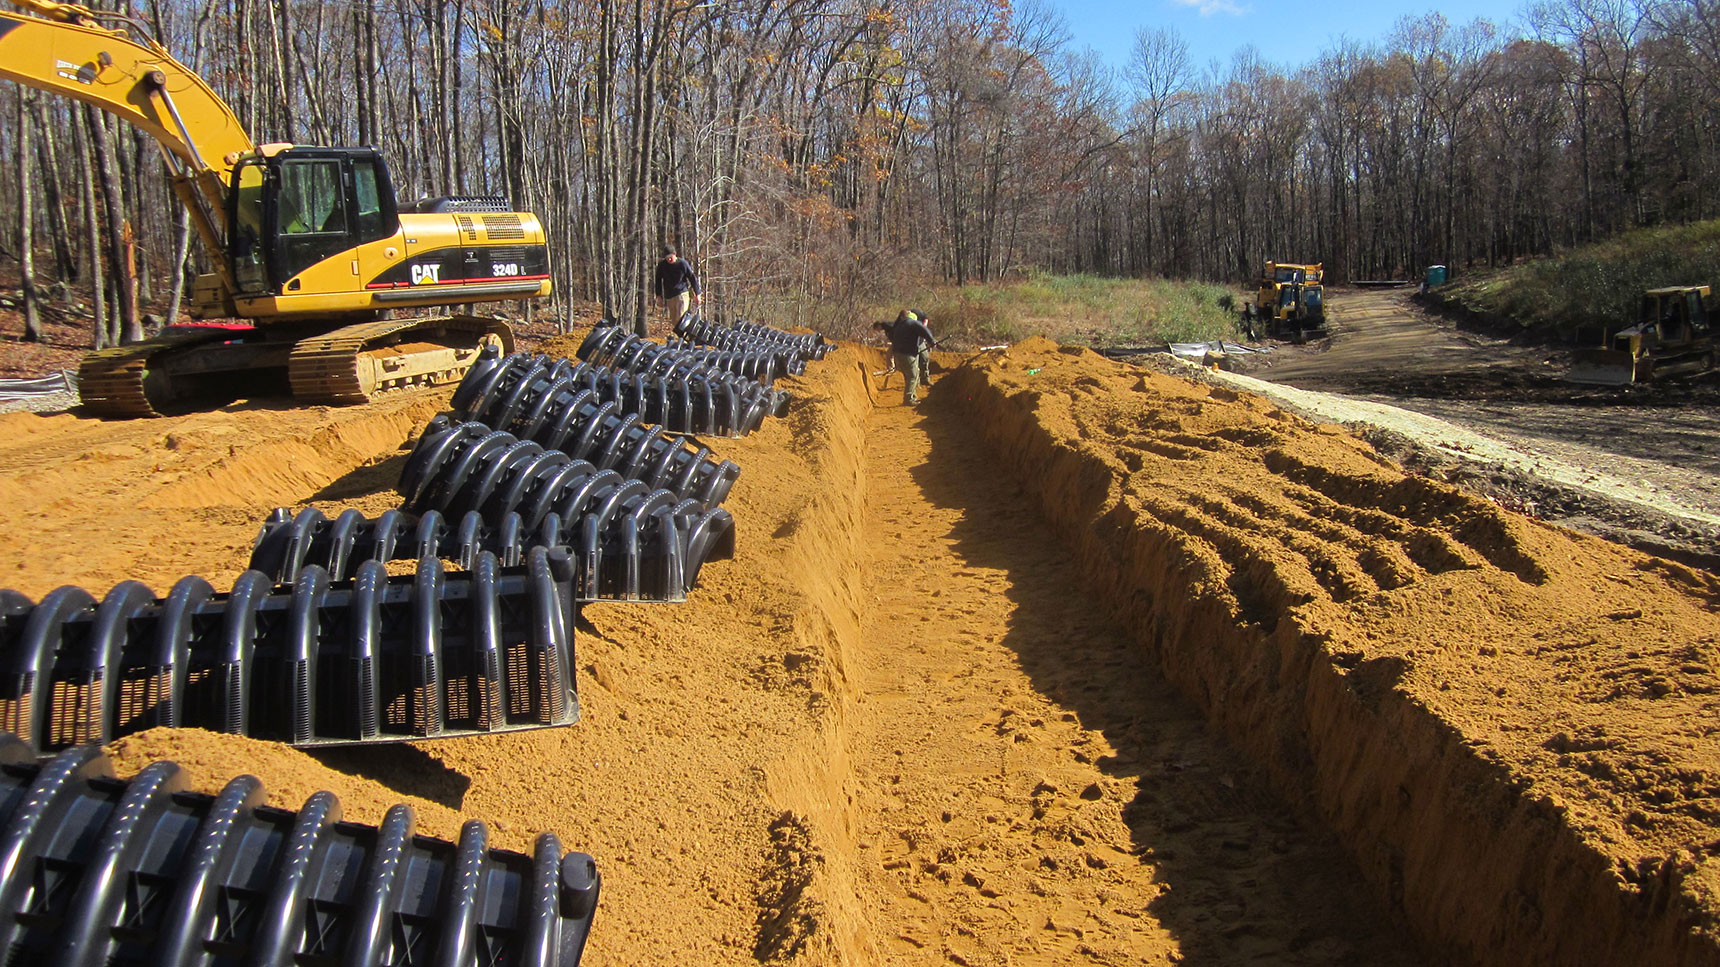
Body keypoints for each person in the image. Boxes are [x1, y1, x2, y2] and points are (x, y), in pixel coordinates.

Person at [884, 309, 936, 405]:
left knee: (909, 375)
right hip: (907, 354)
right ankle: (909, 399)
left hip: (898, 354)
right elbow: (924, 330)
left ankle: (913, 395)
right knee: (913, 375)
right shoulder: (912, 323)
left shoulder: (899, 325)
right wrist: (931, 341)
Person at [653, 245, 702, 329]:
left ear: (675, 254)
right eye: (667, 258)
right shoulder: (662, 266)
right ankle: (681, 339)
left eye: (670, 257)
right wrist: (658, 295)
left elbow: (692, 278)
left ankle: (686, 337)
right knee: (674, 321)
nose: (669, 259)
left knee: (681, 318)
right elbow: (658, 280)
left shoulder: (682, 264)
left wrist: (697, 293)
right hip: (669, 295)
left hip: (682, 293)